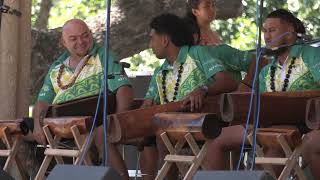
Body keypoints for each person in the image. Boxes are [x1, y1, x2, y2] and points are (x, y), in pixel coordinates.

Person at [140, 13, 255, 179]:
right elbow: (148, 103)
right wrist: (141, 115)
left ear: (165, 40)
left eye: (152, 38)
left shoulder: (197, 53)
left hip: (205, 125)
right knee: (150, 139)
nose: (150, 44)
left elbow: (228, 82)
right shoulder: (160, 71)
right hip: (174, 130)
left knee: (160, 136)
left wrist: (203, 89)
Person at [206, 9, 320, 175]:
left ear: (290, 31)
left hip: (301, 123)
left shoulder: (311, 55)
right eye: (265, 31)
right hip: (267, 125)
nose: (266, 36)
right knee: (217, 139)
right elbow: (261, 105)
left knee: (273, 149)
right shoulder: (266, 70)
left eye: (272, 30)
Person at [32, 19, 133, 179]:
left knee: (101, 135)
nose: (81, 41)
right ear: (63, 42)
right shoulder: (56, 68)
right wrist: (37, 126)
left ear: (91, 35)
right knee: (19, 133)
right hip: (60, 126)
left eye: (85, 36)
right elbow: (42, 102)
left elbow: (123, 88)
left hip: (92, 123)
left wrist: (119, 119)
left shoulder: (103, 56)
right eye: (73, 38)